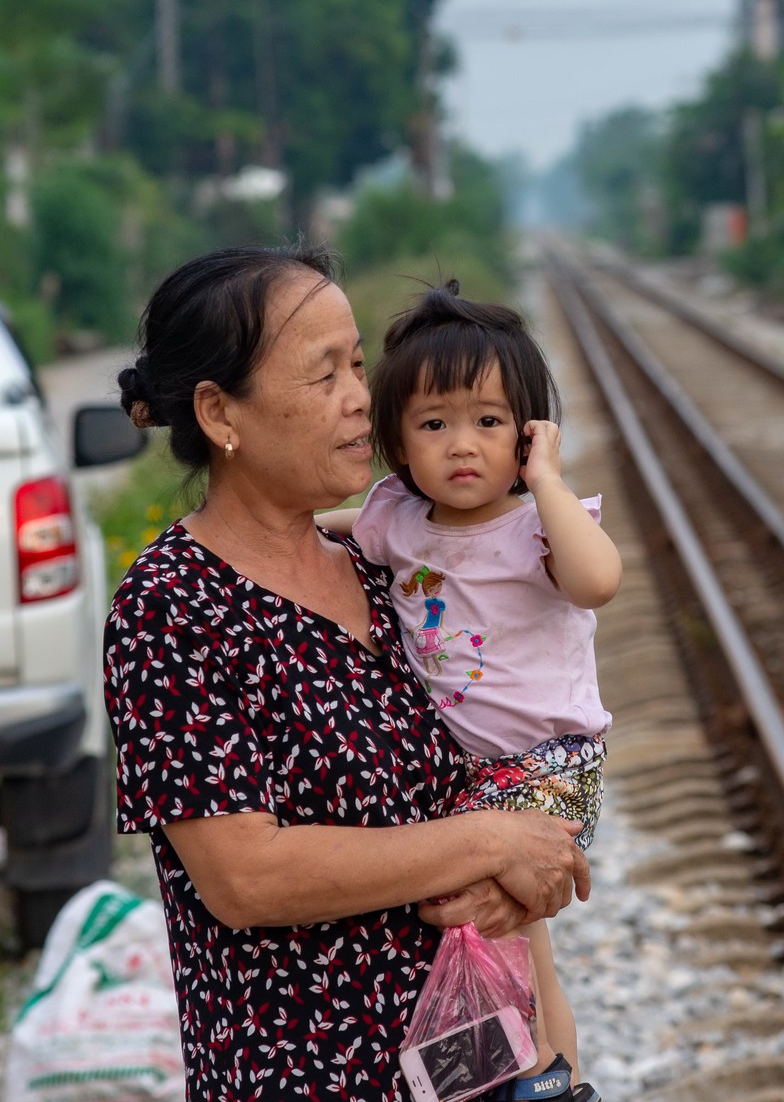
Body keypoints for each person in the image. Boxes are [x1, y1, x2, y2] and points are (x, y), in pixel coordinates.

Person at [106, 247, 589, 1102]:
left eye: (360, 365)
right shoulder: (172, 606)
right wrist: (487, 842)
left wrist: (558, 1051)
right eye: (325, 373)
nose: (363, 397)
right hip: (312, 1075)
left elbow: (472, 791)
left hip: (479, 1067)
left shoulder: (378, 570)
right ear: (222, 413)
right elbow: (246, 879)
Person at [320, 283, 621, 1102]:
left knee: (505, 917)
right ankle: (552, 1075)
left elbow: (599, 581)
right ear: (398, 441)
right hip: (466, 771)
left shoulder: (539, 527)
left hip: (547, 760)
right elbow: (344, 529)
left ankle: (541, 1074)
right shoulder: (398, 519)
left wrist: (549, 481)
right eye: (433, 424)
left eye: (489, 422)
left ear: (525, 435)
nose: (462, 446)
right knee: (526, 936)